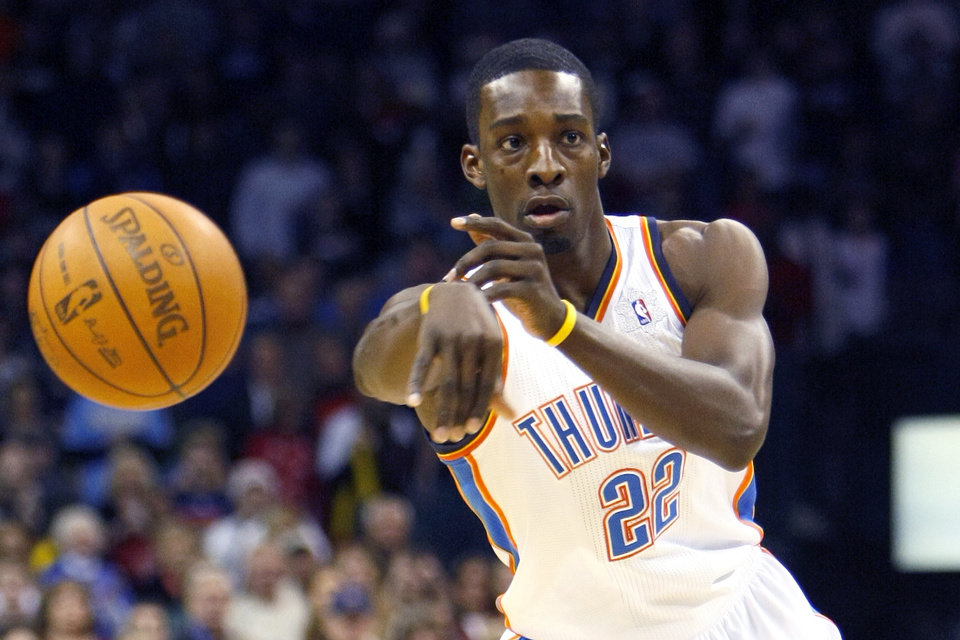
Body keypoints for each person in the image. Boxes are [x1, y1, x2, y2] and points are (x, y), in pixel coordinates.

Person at [352, 38, 842, 640]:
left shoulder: (697, 259)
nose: (545, 164)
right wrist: (439, 298)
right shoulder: (462, 321)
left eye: (569, 137)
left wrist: (560, 325)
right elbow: (373, 366)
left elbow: (737, 427)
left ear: (601, 154)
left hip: (734, 617)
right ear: (474, 165)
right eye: (513, 142)